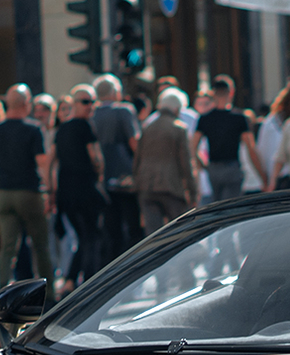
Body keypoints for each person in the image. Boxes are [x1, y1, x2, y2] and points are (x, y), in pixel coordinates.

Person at [0, 84, 53, 288]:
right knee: (40, 245)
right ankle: (49, 293)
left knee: (7, 249)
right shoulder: (33, 129)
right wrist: (49, 190)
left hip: (4, 193)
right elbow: (42, 163)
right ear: (26, 104)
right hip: (28, 191)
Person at [52, 86, 106, 291]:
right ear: (74, 104)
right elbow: (96, 157)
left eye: (92, 101)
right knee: (90, 235)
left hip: (67, 192)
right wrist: (99, 173)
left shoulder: (61, 129)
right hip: (83, 189)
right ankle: (88, 282)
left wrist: (52, 191)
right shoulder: (85, 126)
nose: (90, 106)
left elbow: (52, 161)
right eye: (85, 101)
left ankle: (71, 279)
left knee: (84, 236)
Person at [88, 73, 142, 264]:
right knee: (132, 226)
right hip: (124, 176)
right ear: (115, 92)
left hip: (100, 179)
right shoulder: (124, 111)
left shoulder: (91, 113)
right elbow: (134, 142)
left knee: (110, 229)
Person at [134, 85, 198, 233]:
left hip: (146, 186)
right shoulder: (179, 128)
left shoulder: (147, 126)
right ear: (177, 109)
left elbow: (137, 158)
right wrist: (192, 191)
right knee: (178, 232)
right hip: (170, 187)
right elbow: (186, 163)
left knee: (153, 235)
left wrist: (137, 181)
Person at [194, 75, 251, 202]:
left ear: (213, 94)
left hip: (214, 168)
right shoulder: (239, 118)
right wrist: (263, 176)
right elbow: (251, 147)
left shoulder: (205, 118)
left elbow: (192, 147)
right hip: (232, 167)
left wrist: (203, 166)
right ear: (231, 92)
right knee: (231, 207)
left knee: (216, 205)